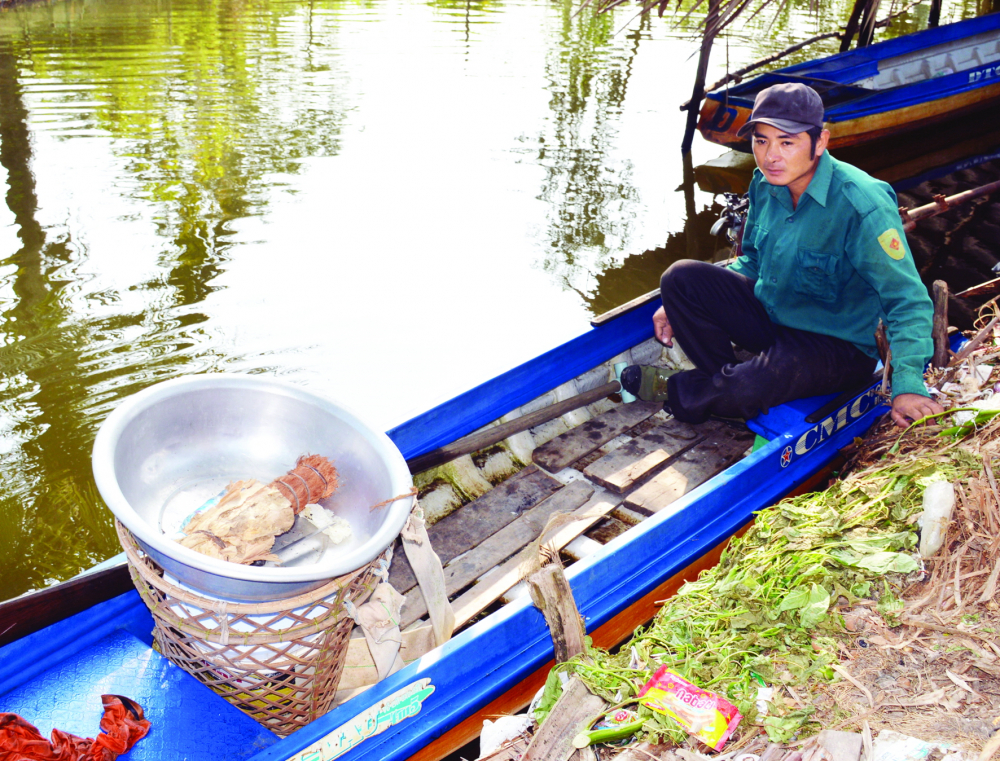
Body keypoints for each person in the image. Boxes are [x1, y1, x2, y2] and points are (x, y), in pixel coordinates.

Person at [620, 82, 944, 429]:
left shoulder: (860, 204)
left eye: (786, 142)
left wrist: (908, 386)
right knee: (680, 278)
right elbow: (753, 261)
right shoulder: (765, 183)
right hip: (775, 316)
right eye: (761, 141)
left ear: (820, 142)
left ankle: (691, 391)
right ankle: (726, 386)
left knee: (753, 384)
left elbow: (907, 301)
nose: (770, 156)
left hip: (836, 346)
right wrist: (684, 304)